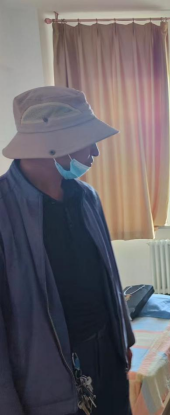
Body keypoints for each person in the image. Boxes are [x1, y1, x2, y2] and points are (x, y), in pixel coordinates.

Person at [0, 86, 134, 415]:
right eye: (87, 141)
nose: (95, 152)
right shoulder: (5, 211)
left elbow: (110, 276)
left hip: (107, 354)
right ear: (52, 143)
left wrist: (123, 339)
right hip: (44, 373)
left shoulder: (87, 198)